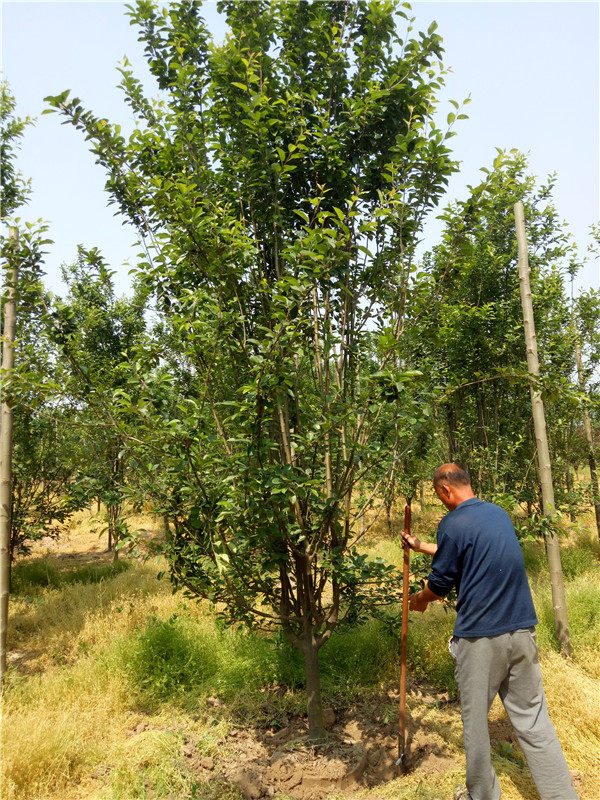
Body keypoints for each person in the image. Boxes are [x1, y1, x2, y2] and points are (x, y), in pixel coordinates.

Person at [402, 463, 578, 800]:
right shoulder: (498, 515)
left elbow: (440, 583)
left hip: (481, 638)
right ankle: (562, 795)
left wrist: (420, 600)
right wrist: (421, 545)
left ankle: (480, 795)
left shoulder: (452, 523)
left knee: (475, 725)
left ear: (444, 490)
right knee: (533, 719)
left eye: (440, 497)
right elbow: (469, 554)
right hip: (522, 631)